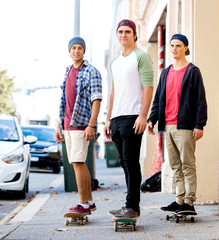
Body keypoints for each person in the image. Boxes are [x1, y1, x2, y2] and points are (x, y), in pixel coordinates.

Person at [147, 34, 207, 214]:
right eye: (172, 45)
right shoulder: (165, 72)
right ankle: (180, 199)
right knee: (175, 165)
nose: (174, 49)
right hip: (169, 125)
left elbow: (200, 100)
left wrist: (199, 124)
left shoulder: (192, 71)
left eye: (178, 46)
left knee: (187, 164)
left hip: (186, 126)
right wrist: (152, 119)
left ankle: (189, 202)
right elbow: (158, 99)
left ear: (186, 48)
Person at [104, 19, 154, 219]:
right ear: (117, 36)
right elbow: (114, 91)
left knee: (132, 163)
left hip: (133, 117)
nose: (123, 35)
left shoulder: (141, 56)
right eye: (120, 32)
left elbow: (148, 86)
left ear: (134, 35)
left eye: (127, 31)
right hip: (116, 119)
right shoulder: (115, 62)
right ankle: (129, 205)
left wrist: (143, 115)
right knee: (124, 163)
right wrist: (108, 119)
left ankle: (132, 207)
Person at [55, 37, 102, 215]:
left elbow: (96, 99)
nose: (76, 51)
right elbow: (64, 101)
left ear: (84, 51)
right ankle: (88, 201)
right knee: (77, 163)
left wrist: (91, 125)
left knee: (78, 161)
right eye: (73, 48)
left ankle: (83, 204)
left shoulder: (92, 71)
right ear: (69, 51)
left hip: (82, 124)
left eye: (79, 48)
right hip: (67, 124)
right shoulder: (67, 71)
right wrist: (59, 125)